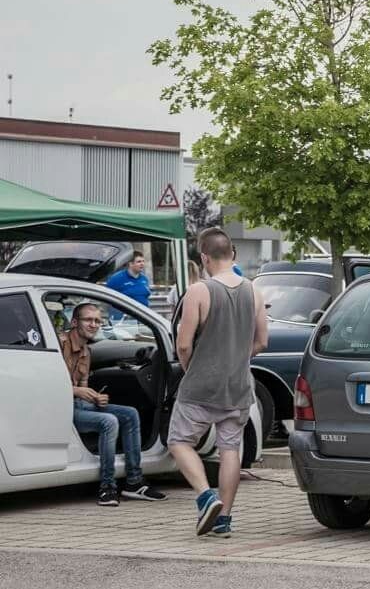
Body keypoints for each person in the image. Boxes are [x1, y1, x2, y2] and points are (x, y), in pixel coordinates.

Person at [171, 227, 269, 537]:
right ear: (233, 255)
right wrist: (238, 358)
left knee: (179, 442)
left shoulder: (199, 291)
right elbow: (262, 341)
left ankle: (205, 496)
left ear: (203, 257)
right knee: (230, 451)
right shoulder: (253, 290)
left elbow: (183, 344)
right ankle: (224, 518)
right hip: (238, 385)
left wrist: (191, 369)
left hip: (201, 385)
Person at [61, 302, 166, 506]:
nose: (94, 324)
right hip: (62, 408)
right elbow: (50, 385)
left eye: (98, 321)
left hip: (79, 405)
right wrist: (79, 391)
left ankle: (134, 482)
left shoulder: (86, 352)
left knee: (130, 414)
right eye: (88, 320)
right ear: (74, 322)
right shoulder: (59, 344)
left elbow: (83, 389)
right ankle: (107, 487)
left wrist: (94, 396)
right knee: (109, 421)